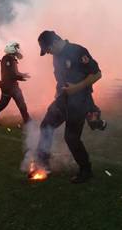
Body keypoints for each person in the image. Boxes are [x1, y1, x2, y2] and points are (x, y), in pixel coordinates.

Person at [32, 30, 102, 183]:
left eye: (48, 49)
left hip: (79, 101)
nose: (49, 53)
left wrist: (77, 88)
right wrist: (58, 96)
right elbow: (61, 79)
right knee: (46, 127)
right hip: (62, 100)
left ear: (56, 42)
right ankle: (42, 164)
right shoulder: (56, 55)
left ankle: (86, 170)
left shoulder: (78, 51)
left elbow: (97, 74)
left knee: (71, 138)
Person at [0, 41, 31, 126]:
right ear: (11, 49)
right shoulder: (8, 59)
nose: (18, 50)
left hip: (9, 86)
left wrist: (23, 75)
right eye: (16, 48)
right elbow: (11, 74)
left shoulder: (10, 58)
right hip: (10, 86)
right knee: (20, 103)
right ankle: (28, 121)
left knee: (2, 104)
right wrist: (20, 77)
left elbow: (15, 72)